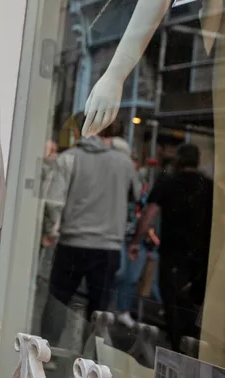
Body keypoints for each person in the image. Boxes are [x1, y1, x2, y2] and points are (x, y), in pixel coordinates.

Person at [39, 120, 139, 346]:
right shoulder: (124, 162)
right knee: (100, 307)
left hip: (72, 241)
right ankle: (93, 356)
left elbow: (54, 202)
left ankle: (47, 351)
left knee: (59, 299)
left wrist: (52, 229)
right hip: (108, 246)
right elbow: (135, 193)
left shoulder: (70, 158)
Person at [128, 143, 212, 353]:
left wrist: (136, 241)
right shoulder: (209, 186)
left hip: (173, 254)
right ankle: (190, 348)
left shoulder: (168, 182)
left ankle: (177, 349)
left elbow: (149, 215)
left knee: (173, 306)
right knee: (193, 308)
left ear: (179, 160)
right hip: (202, 257)